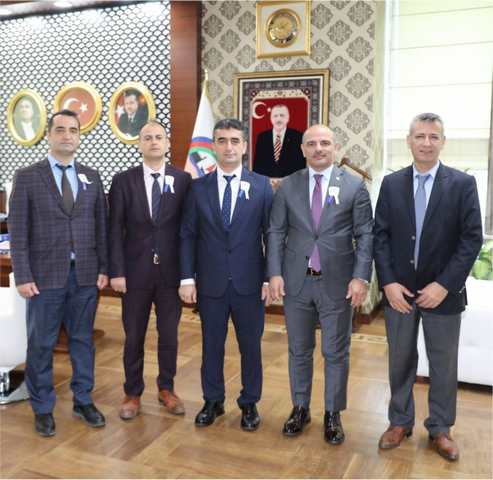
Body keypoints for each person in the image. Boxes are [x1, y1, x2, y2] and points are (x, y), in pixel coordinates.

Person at [373, 112, 483, 461]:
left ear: (443, 142)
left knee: (443, 364)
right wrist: (388, 282)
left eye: (433, 137)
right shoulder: (391, 184)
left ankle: (440, 428)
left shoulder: (462, 184)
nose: (426, 143)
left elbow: (471, 239)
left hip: (443, 295)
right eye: (419, 136)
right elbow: (380, 236)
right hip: (399, 294)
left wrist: (445, 285)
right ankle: (399, 421)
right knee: (400, 360)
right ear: (409, 141)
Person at [268, 124, 373, 444]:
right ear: (302, 150)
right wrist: (274, 273)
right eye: (311, 144)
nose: (318, 149)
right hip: (296, 282)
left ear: (335, 147)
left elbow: (365, 235)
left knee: (336, 351)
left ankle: (332, 413)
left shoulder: (354, 186)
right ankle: (300, 408)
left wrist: (360, 277)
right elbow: (276, 231)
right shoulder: (288, 186)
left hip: (338, 283)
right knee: (299, 349)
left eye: (325, 143)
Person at [8, 109, 109, 437]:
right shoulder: (27, 177)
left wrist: (104, 268)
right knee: (42, 343)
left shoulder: (92, 177)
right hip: (43, 278)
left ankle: (83, 400)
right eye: (61, 130)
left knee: (82, 340)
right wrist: (23, 275)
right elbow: (18, 232)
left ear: (80, 136)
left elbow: (101, 227)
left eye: (73, 130)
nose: (67, 135)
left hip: (86, 276)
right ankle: (42, 407)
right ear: (49, 135)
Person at [179, 118, 273, 431]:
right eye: (222, 140)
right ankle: (213, 400)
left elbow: (271, 235)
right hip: (211, 283)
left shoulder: (262, 186)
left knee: (251, 347)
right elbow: (188, 234)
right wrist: (187, 278)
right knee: (211, 346)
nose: (228, 147)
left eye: (235, 141)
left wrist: (268, 277)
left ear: (244, 146)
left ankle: (249, 403)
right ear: (213, 146)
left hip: (250, 284)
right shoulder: (198, 187)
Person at [109, 120, 191, 420]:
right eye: (147, 138)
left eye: (159, 137)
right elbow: (114, 229)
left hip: (171, 274)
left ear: (167, 143)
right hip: (134, 274)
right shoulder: (123, 181)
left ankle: (166, 388)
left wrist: (188, 275)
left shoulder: (183, 180)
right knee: (134, 336)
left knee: (169, 335)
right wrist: (117, 271)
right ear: (139, 144)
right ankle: (132, 391)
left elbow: (188, 230)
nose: (154, 142)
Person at [253, 104, 305, 178]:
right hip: (267, 182)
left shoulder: (298, 137)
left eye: (282, 115)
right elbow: (257, 165)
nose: (278, 119)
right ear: (271, 118)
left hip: (291, 182)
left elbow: (300, 165)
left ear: (288, 118)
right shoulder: (262, 137)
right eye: (275, 116)